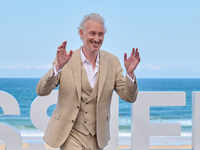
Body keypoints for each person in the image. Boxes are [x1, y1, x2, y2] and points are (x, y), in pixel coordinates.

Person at [36, 13, 140, 150]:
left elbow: (129, 97)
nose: (97, 39)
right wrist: (58, 67)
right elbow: (41, 91)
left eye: (100, 34)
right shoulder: (65, 59)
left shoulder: (112, 62)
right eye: (92, 33)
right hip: (70, 134)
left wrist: (130, 73)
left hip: (97, 136)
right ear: (81, 33)